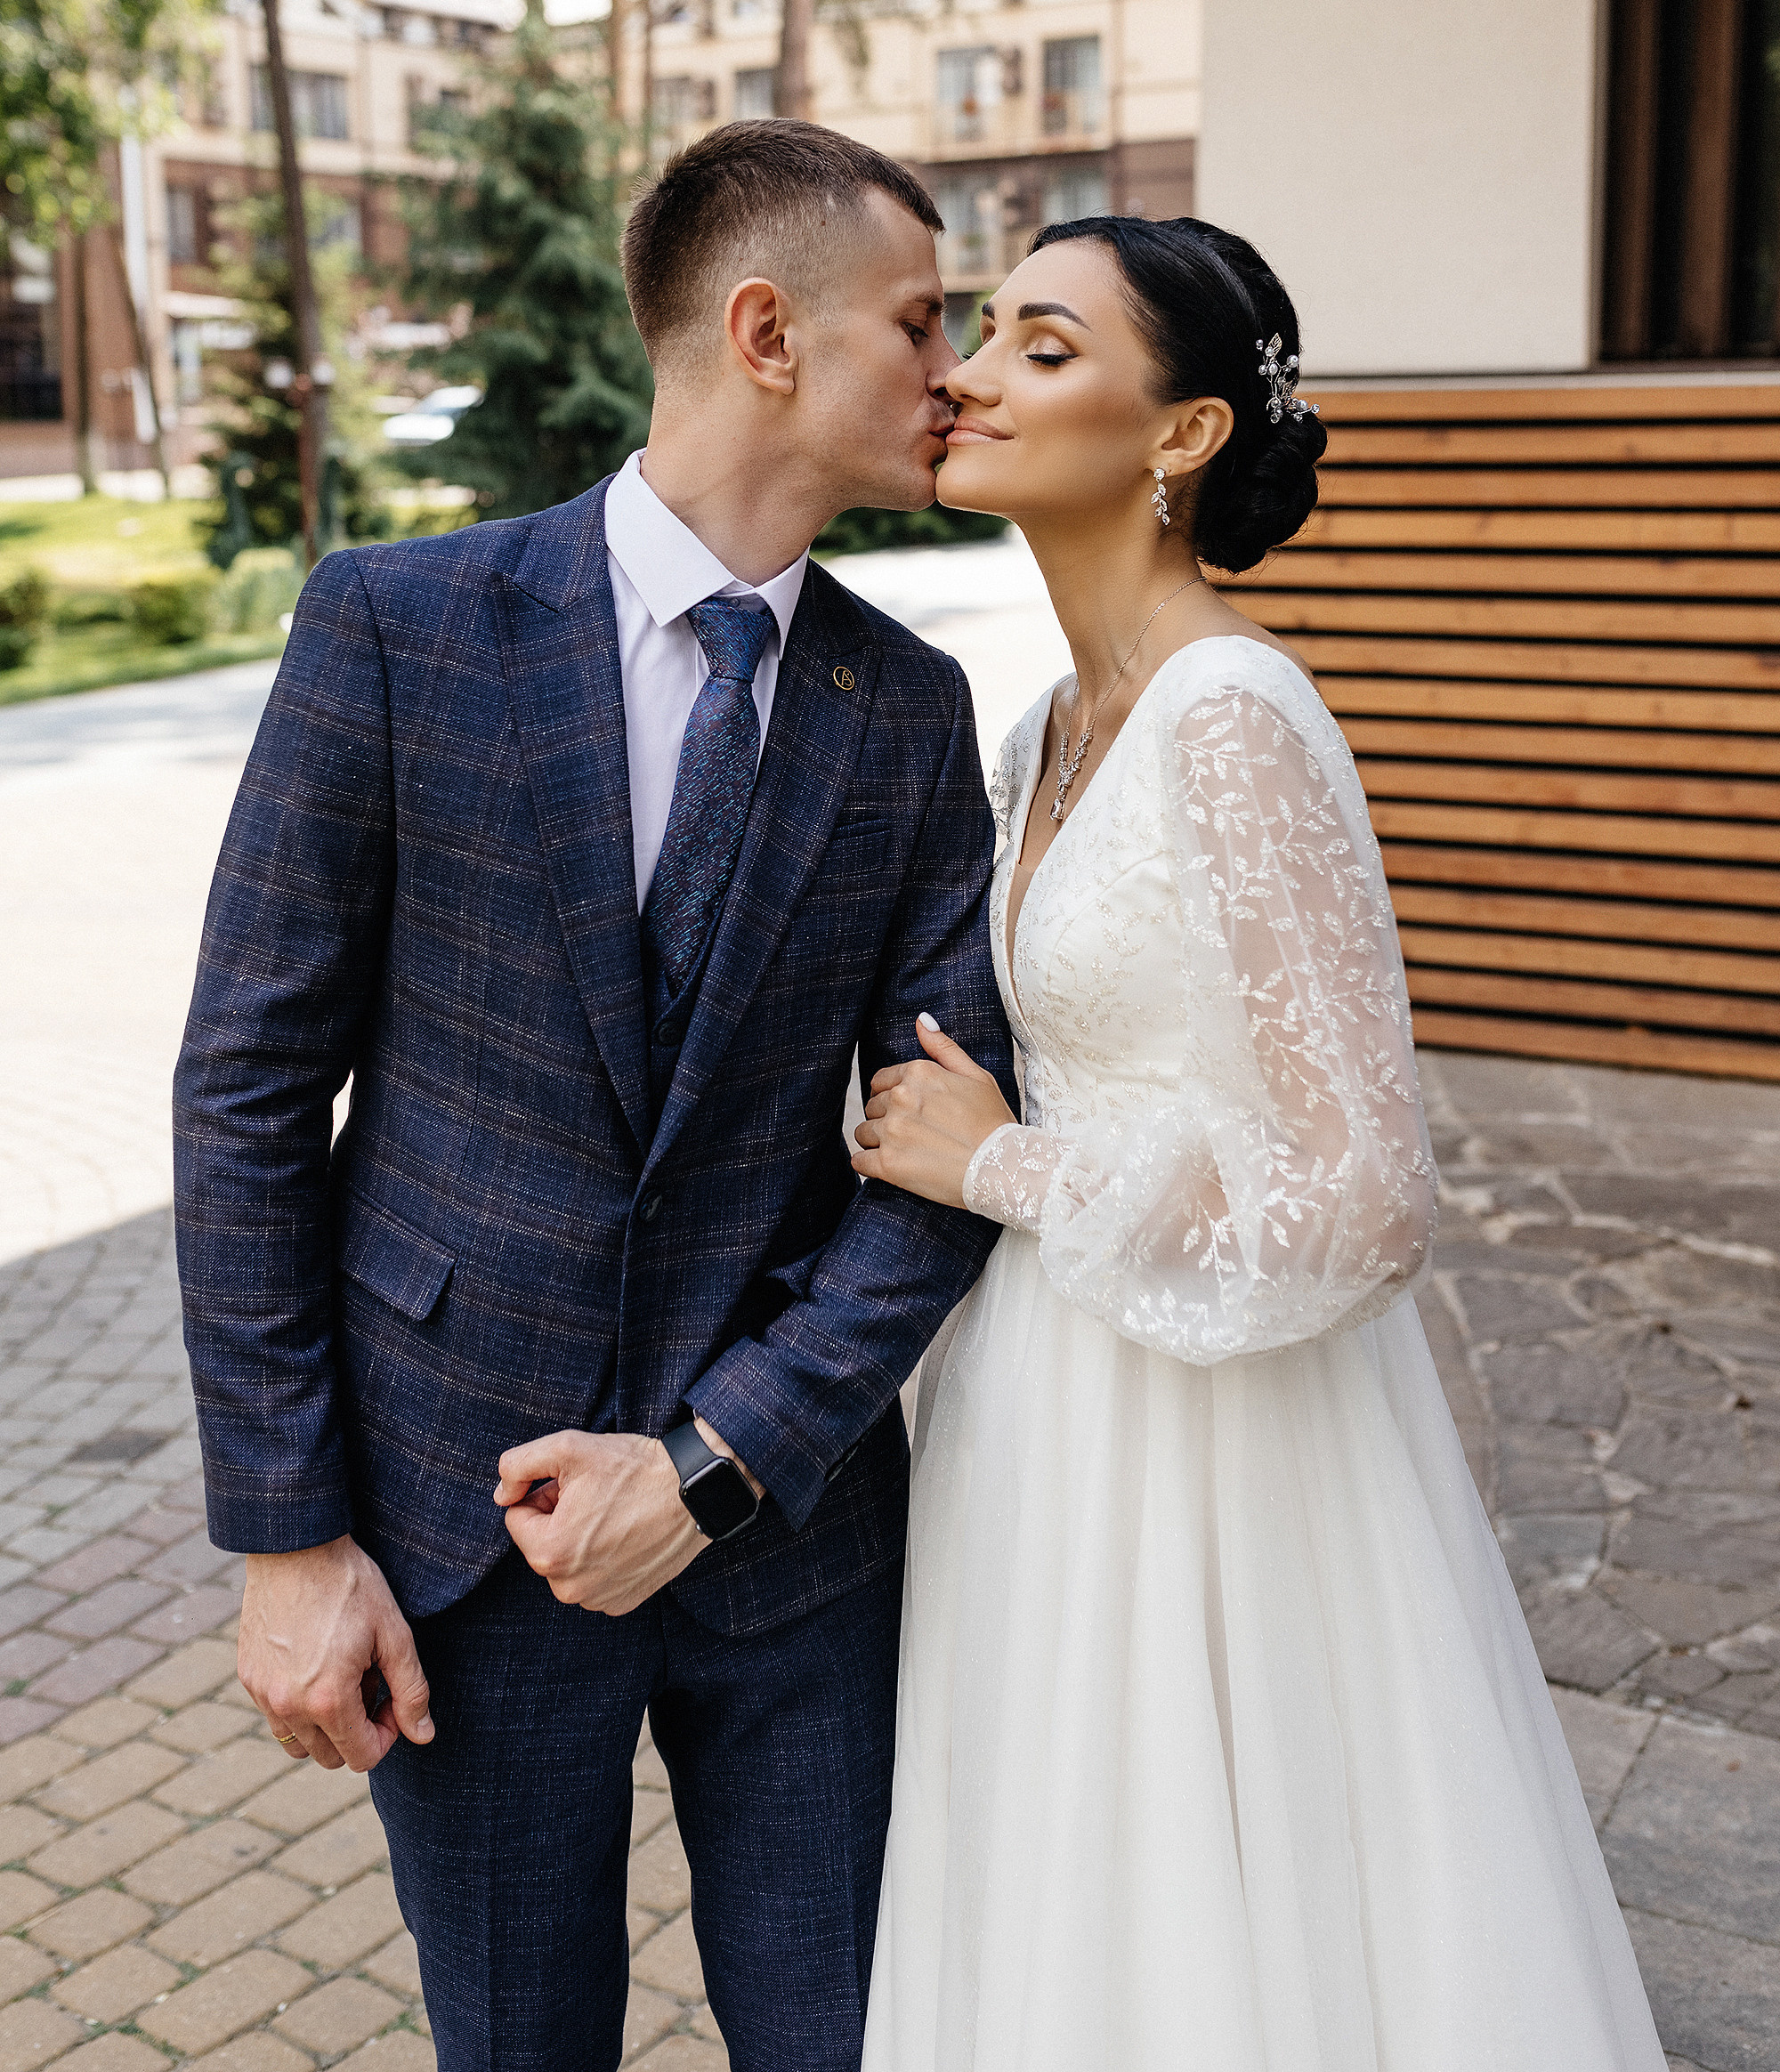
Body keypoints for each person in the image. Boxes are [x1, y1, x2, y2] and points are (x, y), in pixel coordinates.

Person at [172, 120, 1010, 2072]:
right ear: (765, 333)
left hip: (786, 1545)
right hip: (458, 1538)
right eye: (920, 319)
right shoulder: (395, 628)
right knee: (518, 2045)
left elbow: (944, 1149)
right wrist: (288, 1543)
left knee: (844, 2038)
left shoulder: (906, 709)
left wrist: (722, 1459)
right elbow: (245, 1090)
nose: (953, 366)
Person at [851, 214, 1667, 2071]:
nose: (966, 372)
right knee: (1067, 1873)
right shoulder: (1049, 721)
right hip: (1043, 1397)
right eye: (978, 330)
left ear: (1181, 434)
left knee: (1238, 1888)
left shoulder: (1235, 717)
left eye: (1040, 346)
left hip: (1217, 1432)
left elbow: (1372, 1195)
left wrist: (1004, 1169)